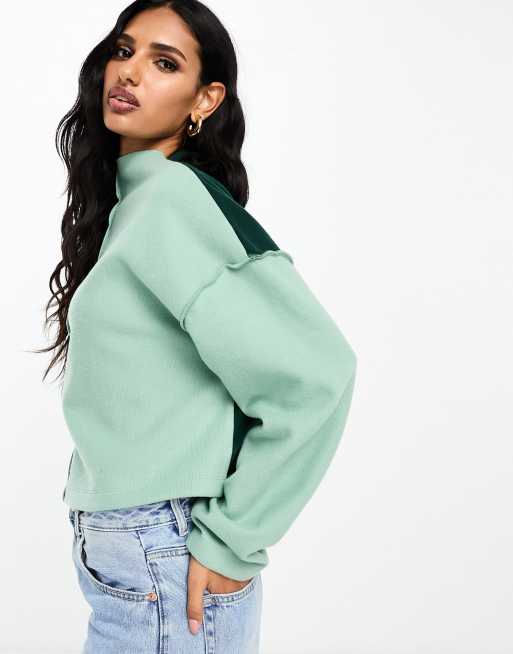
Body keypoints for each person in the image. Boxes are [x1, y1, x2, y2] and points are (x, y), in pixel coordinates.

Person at [40, 1, 358, 652]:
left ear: (204, 100)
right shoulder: (135, 205)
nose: (129, 72)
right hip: (139, 547)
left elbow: (316, 373)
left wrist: (234, 539)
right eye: (124, 50)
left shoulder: (171, 200)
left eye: (164, 63)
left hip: (164, 548)